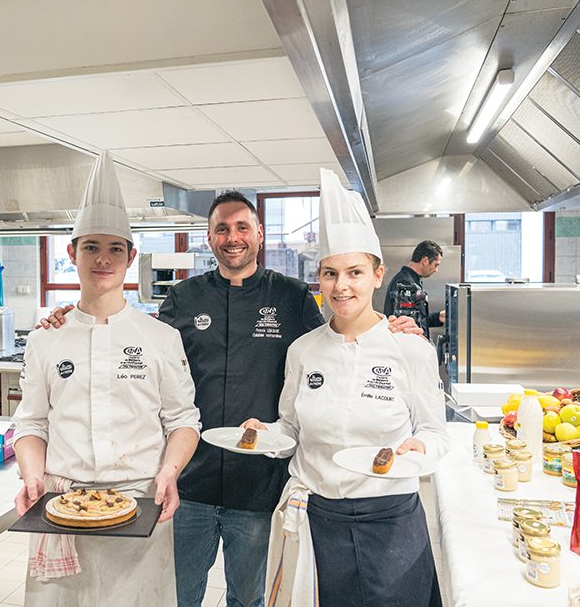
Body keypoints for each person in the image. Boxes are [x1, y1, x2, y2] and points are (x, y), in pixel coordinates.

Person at [40, 191, 422, 607]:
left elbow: (335, 342)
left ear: (259, 234)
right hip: (189, 482)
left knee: (248, 598)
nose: (232, 237)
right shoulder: (184, 299)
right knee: (179, 595)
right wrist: (70, 320)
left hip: (258, 487)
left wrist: (388, 329)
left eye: (242, 227)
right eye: (222, 228)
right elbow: (131, 348)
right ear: (209, 238)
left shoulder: (292, 297)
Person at [242, 169, 448, 607]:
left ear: (377, 275)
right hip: (317, 516)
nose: (341, 286)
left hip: (390, 516)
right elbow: (290, 429)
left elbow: (436, 434)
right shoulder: (303, 350)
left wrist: (420, 450)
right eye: (330, 273)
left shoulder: (409, 349)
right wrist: (266, 435)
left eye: (354, 272)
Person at [12, 152, 201, 606]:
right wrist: (33, 477)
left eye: (115, 248)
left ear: (131, 256)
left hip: (140, 504)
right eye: (91, 247)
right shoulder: (46, 340)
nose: (103, 259)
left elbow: (183, 421)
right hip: (60, 507)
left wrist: (170, 473)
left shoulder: (160, 337)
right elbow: (31, 424)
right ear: (71, 252)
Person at [382, 239, 445, 340]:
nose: (436, 270)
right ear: (425, 261)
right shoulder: (405, 284)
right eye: (436, 265)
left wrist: (438, 317)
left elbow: (415, 320)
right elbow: (405, 326)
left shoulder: (411, 280)